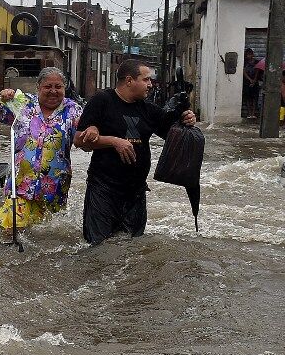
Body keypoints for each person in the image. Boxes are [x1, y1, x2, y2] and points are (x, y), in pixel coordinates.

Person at [73, 59, 197, 245]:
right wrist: (114, 141)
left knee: (133, 248)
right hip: (104, 189)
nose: (150, 84)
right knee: (97, 248)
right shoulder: (102, 100)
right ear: (129, 80)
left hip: (135, 192)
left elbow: (173, 135)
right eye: (146, 79)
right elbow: (79, 141)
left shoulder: (148, 109)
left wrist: (187, 118)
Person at [0, 67, 95, 229]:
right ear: (38, 88)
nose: (53, 91)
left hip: (54, 186)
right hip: (20, 185)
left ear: (64, 88)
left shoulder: (73, 110)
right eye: (48, 87)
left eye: (58, 87)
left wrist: (91, 134)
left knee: (45, 232)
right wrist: (0, 97)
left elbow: (82, 142)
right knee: (11, 225)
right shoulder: (23, 104)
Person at [242, 48, 260, 119]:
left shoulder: (256, 62)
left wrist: (254, 80)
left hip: (255, 82)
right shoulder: (244, 62)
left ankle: (253, 114)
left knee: (255, 98)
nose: (249, 56)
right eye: (248, 55)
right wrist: (250, 80)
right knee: (248, 98)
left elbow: (257, 71)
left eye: (250, 54)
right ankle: (249, 114)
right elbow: (243, 71)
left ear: (253, 54)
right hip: (247, 82)